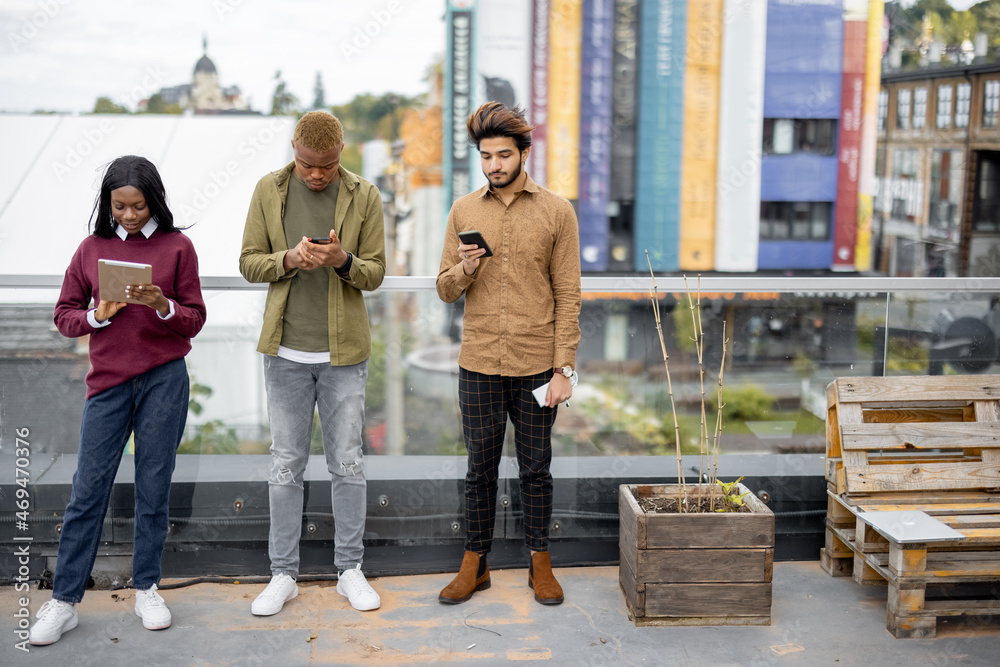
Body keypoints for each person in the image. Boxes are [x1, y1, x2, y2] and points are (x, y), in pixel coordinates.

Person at [30, 155, 206, 645]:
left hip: (164, 381)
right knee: (88, 491)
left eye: (138, 205)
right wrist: (99, 316)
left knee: (154, 486)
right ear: (107, 204)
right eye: (119, 206)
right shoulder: (91, 249)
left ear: (154, 201)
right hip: (107, 384)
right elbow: (65, 316)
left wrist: (162, 305)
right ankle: (64, 600)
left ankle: (147, 587)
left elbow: (194, 318)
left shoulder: (177, 247)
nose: (128, 215)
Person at [239, 111, 386, 615]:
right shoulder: (268, 189)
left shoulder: (364, 195)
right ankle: (283, 574)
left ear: (341, 153)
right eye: (307, 165)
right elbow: (248, 262)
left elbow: (375, 274)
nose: (316, 175)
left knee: (348, 463)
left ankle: (349, 570)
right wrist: (289, 260)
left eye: (326, 165)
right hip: (285, 353)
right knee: (285, 465)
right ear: (295, 151)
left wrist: (342, 261)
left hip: (344, 354)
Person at [436, 102, 582, 605]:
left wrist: (564, 369)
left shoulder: (558, 212)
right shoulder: (463, 210)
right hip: (477, 361)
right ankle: (474, 564)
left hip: (538, 364)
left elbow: (569, 295)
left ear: (524, 153)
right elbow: (444, 290)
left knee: (536, 468)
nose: (494, 165)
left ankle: (539, 562)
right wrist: (466, 268)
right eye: (485, 156)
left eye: (503, 155)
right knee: (479, 467)